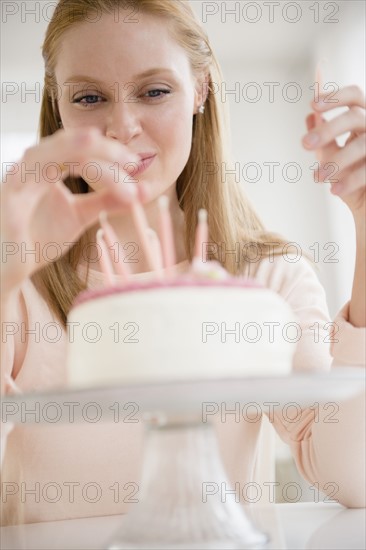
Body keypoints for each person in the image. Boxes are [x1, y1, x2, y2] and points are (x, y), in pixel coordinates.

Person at [1, 0, 365, 526]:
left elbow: (353, 476)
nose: (123, 126)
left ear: (200, 89)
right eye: (89, 97)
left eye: (154, 91)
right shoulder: (19, 283)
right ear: (58, 107)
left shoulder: (269, 280)